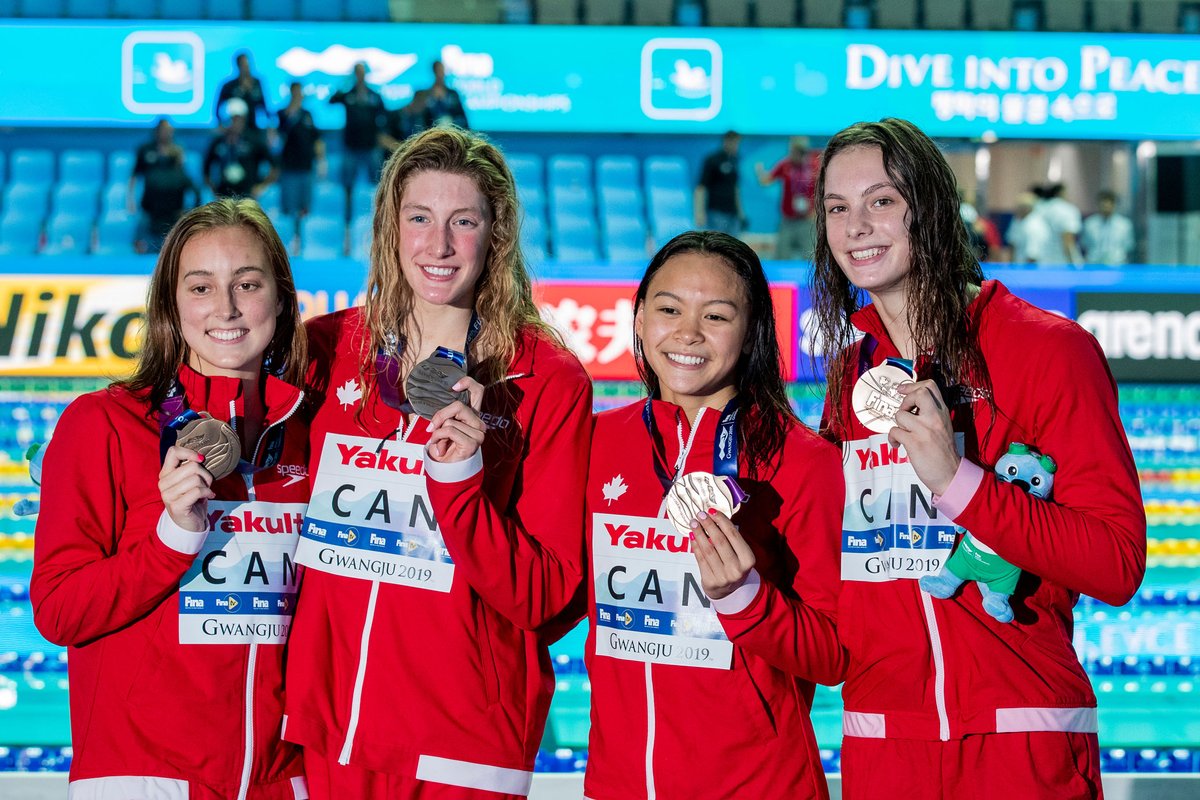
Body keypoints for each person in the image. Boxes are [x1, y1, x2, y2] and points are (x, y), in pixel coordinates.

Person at [810, 118, 1146, 799]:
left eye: (881, 201)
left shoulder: (1048, 351)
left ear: (929, 207)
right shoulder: (853, 376)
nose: (856, 227)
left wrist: (958, 482)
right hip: (883, 747)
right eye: (837, 208)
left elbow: (1115, 563)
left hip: (1021, 740)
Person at [284, 126, 592, 798]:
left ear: (496, 234)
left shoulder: (547, 380)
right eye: (419, 218)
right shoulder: (327, 347)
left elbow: (546, 597)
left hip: (463, 742)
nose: (439, 245)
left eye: (464, 221)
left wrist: (461, 479)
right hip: (329, 732)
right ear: (391, 228)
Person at [30, 198, 310, 799]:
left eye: (248, 283)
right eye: (201, 286)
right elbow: (58, 611)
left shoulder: (309, 439)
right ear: (171, 305)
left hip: (282, 782)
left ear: (281, 297)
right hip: (145, 776)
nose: (227, 308)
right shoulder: (103, 424)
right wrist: (172, 537)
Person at [582, 231, 845, 799]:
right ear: (640, 317)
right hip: (617, 784)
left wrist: (744, 598)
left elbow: (832, 655)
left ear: (752, 333)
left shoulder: (805, 462)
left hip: (759, 786)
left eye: (717, 316)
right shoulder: (598, 442)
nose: (687, 334)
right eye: (669, 309)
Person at [130, 117, 199, 254]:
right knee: (144, 249)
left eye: (169, 131)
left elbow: (195, 192)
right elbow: (135, 176)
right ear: (156, 131)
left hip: (173, 214)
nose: (166, 133)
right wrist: (131, 200)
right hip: (150, 211)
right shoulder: (146, 152)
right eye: (163, 130)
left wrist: (188, 212)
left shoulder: (179, 166)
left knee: (172, 253)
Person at [329, 62, 388, 219]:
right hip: (351, 147)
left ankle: (380, 217)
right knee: (348, 185)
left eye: (362, 72)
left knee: (378, 184)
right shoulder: (348, 94)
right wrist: (345, 82)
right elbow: (331, 100)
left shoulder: (374, 96)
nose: (359, 75)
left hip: (370, 147)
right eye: (357, 72)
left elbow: (384, 116)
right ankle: (347, 219)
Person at [755, 136, 819, 259]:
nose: (794, 155)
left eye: (798, 152)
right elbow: (766, 181)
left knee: (812, 257)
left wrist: (817, 212)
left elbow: (823, 189)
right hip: (788, 220)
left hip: (807, 220)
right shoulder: (785, 164)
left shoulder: (814, 165)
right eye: (792, 151)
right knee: (782, 255)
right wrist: (760, 173)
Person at [204, 99, 278, 199]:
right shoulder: (218, 142)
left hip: (248, 195)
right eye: (232, 119)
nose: (235, 123)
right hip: (224, 196)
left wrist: (261, 186)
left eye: (238, 119)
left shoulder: (254, 140)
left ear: (244, 119)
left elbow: (275, 166)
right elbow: (206, 169)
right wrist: (213, 190)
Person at [277, 82, 327, 227]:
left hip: (307, 167)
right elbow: (278, 137)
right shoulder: (282, 114)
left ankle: (302, 242)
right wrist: (292, 112)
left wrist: (322, 161)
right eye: (296, 92)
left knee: (305, 209)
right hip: (289, 168)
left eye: (300, 92)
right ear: (291, 93)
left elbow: (316, 139)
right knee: (289, 210)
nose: (299, 95)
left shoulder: (307, 115)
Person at [695, 131, 744, 236]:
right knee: (717, 245)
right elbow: (701, 188)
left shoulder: (735, 161)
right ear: (726, 142)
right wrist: (699, 212)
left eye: (738, 144)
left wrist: (740, 213)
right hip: (716, 212)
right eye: (735, 143)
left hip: (732, 212)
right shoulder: (712, 160)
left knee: (734, 247)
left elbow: (735, 188)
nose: (737, 147)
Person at [216, 51, 272, 139]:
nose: (245, 68)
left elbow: (264, 106)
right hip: (234, 130)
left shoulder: (257, 84)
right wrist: (221, 124)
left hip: (253, 128)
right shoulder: (229, 86)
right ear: (237, 66)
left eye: (247, 64)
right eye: (242, 65)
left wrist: (270, 126)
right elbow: (217, 107)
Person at [1032, 182, 1083, 266]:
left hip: (1043, 260)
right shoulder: (1068, 210)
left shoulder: (1040, 208)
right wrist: (1072, 264)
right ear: (1061, 193)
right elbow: (1068, 239)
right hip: (1062, 262)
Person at [1081, 189, 1135, 266]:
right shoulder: (1089, 223)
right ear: (1098, 205)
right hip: (1094, 264)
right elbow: (1085, 244)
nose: (1106, 208)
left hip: (1117, 264)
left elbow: (1128, 246)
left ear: (1114, 205)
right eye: (1103, 205)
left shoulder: (1124, 224)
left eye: (1109, 204)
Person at [419, 60, 469, 129]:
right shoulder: (427, 95)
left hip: (452, 132)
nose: (441, 74)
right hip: (431, 133)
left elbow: (462, 116)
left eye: (442, 70)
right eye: (439, 71)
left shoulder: (453, 94)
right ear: (434, 72)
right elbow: (422, 117)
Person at [1005, 191, 1051, 264]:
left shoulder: (1034, 226)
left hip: (1029, 269)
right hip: (1019, 266)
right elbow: (1013, 244)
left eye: (1019, 207)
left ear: (1027, 208)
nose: (1016, 210)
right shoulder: (1018, 222)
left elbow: (1033, 255)